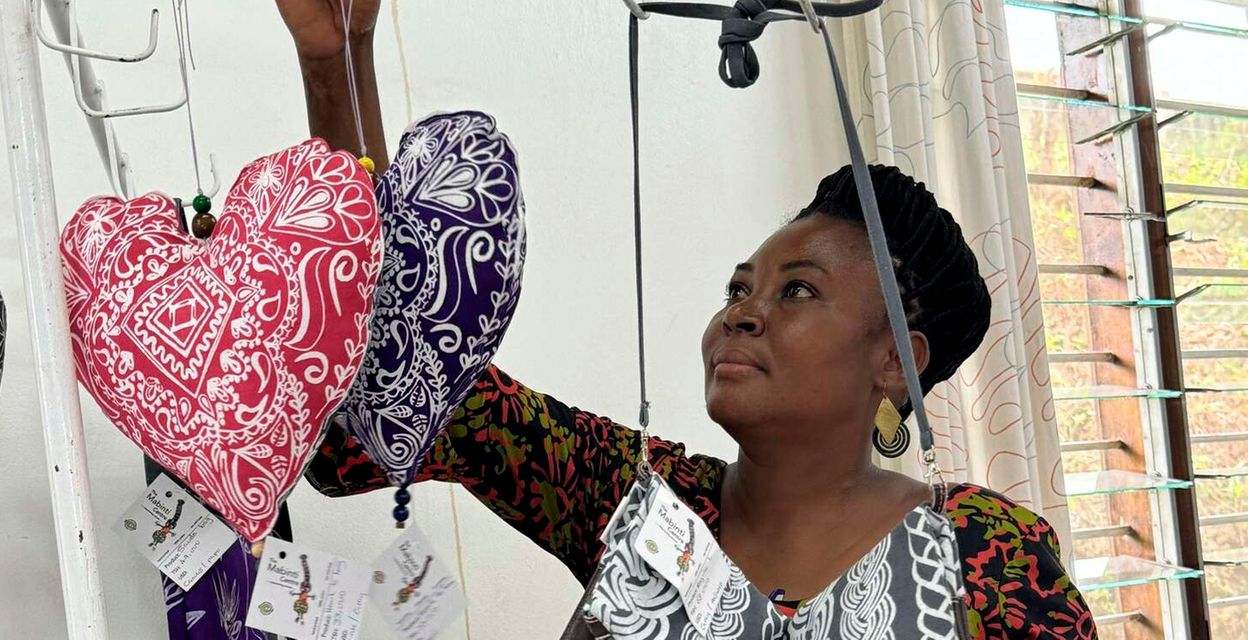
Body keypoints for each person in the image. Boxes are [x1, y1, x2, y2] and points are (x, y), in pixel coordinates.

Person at [276, 2, 1098, 638]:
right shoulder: (635, 500)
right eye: (738, 289)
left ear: (896, 359)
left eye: (797, 291)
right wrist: (336, 62)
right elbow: (405, 366)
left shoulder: (985, 553)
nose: (742, 313)